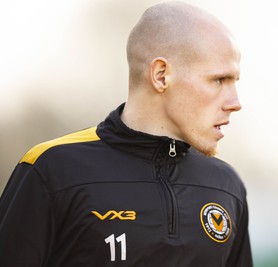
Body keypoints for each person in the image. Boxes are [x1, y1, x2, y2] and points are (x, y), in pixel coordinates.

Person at [0, 1, 253, 266]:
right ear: (161, 75)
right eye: (219, 80)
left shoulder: (226, 186)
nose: (234, 102)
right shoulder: (52, 169)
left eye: (234, 82)